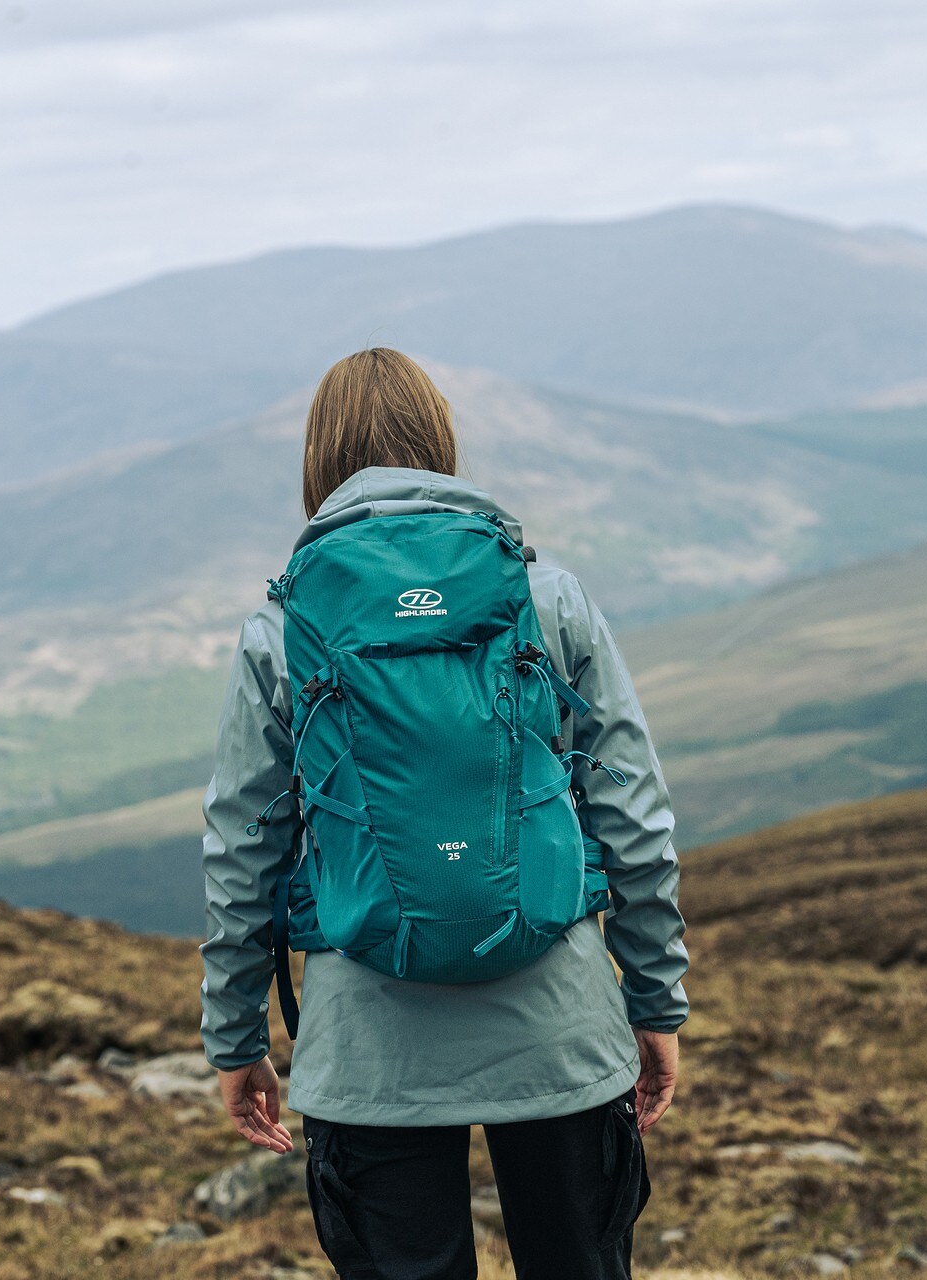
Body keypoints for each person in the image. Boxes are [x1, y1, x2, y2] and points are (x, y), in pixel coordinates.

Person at [199, 348, 689, 1280]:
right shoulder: (546, 597)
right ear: (439, 445)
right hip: (561, 1033)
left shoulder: (282, 626)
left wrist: (234, 1035)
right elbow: (633, 813)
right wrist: (656, 996)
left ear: (318, 462)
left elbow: (242, 850)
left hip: (366, 1053)